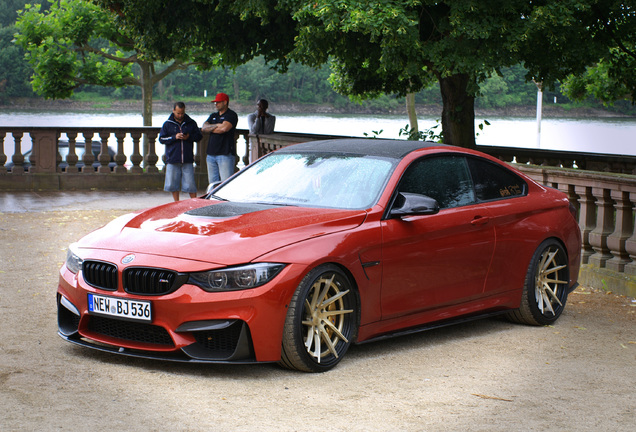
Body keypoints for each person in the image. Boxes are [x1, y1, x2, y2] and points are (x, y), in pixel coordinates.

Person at [158, 102, 202, 201]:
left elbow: (199, 136)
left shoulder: (191, 123)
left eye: (182, 113)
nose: (180, 115)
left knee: (191, 184)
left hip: (187, 158)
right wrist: (174, 137)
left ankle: (194, 202)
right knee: (173, 184)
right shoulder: (167, 124)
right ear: (173, 111)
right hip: (172, 158)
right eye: (178, 113)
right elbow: (162, 139)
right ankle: (176, 202)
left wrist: (189, 137)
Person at [202, 92, 239, 183]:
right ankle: (213, 198)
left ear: (225, 102)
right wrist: (218, 125)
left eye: (218, 102)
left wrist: (211, 127)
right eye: (215, 102)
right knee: (212, 183)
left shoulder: (231, 115)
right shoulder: (213, 116)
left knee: (225, 183)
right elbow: (204, 128)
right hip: (211, 154)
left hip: (225, 154)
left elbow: (224, 129)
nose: (216, 104)